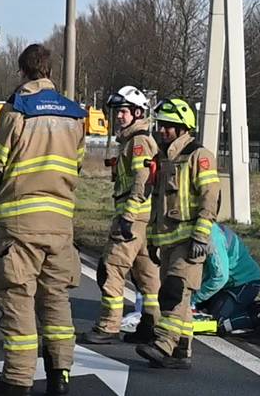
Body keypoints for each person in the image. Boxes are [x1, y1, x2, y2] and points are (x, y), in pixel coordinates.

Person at [0, 44, 86, 396]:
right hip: (60, 222)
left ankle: (17, 380)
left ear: (22, 71)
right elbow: (78, 165)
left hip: (20, 223)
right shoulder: (74, 115)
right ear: (50, 71)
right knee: (56, 299)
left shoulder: (16, 110)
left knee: (18, 299)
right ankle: (60, 375)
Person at [135, 98, 219, 371]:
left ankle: (163, 344)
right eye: (161, 126)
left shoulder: (199, 156)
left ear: (183, 128)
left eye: (169, 127)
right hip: (167, 240)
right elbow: (157, 202)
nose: (163, 131)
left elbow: (211, 199)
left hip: (189, 240)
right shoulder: (161, 159)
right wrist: (152, 239)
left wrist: (201, 236)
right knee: (177, 296)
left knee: (174, 293)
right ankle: (182, 350)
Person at [81, 86, 160, 345]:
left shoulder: (138, 142)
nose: (119, 117)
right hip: (144, 221)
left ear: (138, 113)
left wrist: (128, 215)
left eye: (124, 112)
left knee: (110, 269)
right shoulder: (133, 140)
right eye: (118, 112)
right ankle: (151, 324)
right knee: (146, 274)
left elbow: (142, 178)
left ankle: (108, 325)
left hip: (133, 219)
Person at [192, 223, 260, 336]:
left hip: (244, 283)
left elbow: (220, 277)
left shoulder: (213, 239)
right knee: (201, 309)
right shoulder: (198, 231)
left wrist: (194, 299)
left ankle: (259, 314)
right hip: (225, 284)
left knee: (218, 322)